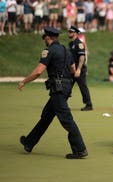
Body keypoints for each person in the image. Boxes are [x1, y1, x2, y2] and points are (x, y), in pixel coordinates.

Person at [18, 26, 88, 159]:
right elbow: (73, 70)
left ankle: (80, 149)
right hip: (66, 87)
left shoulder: (49, 51)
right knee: (46, 116)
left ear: (47, 37)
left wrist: (24, 81)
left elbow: (38, 71)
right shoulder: (66, 51)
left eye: (44, 37)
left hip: (58, 89)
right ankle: (29, 142)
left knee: (66, 119)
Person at [68, 25, 93, 111]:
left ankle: (89, 105)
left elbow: (82, 57)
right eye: (69, 31)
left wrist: (78, 69)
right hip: (72, 69)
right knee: (67, 86)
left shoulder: (79, 44)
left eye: (71, 32)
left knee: (83, 87)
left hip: (79, 69)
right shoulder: (71, 44)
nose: (69, 33)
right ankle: (62, 103)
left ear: (75, 33)